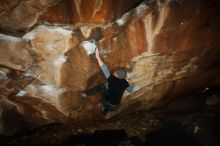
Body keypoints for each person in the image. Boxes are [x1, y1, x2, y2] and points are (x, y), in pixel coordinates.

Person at [80, 48, 134, 116]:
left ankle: (86, 94)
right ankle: (104, 114)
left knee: (102, 87)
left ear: (117, 75)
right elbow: (131, 90)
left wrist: (97, 57)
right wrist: (128, 80)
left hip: (107, 102)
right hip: (115, 106)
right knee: (112, 98)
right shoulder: (125, 83)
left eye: (116, 72)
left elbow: (104, 68)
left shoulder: (112, 79)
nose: (114, 71)